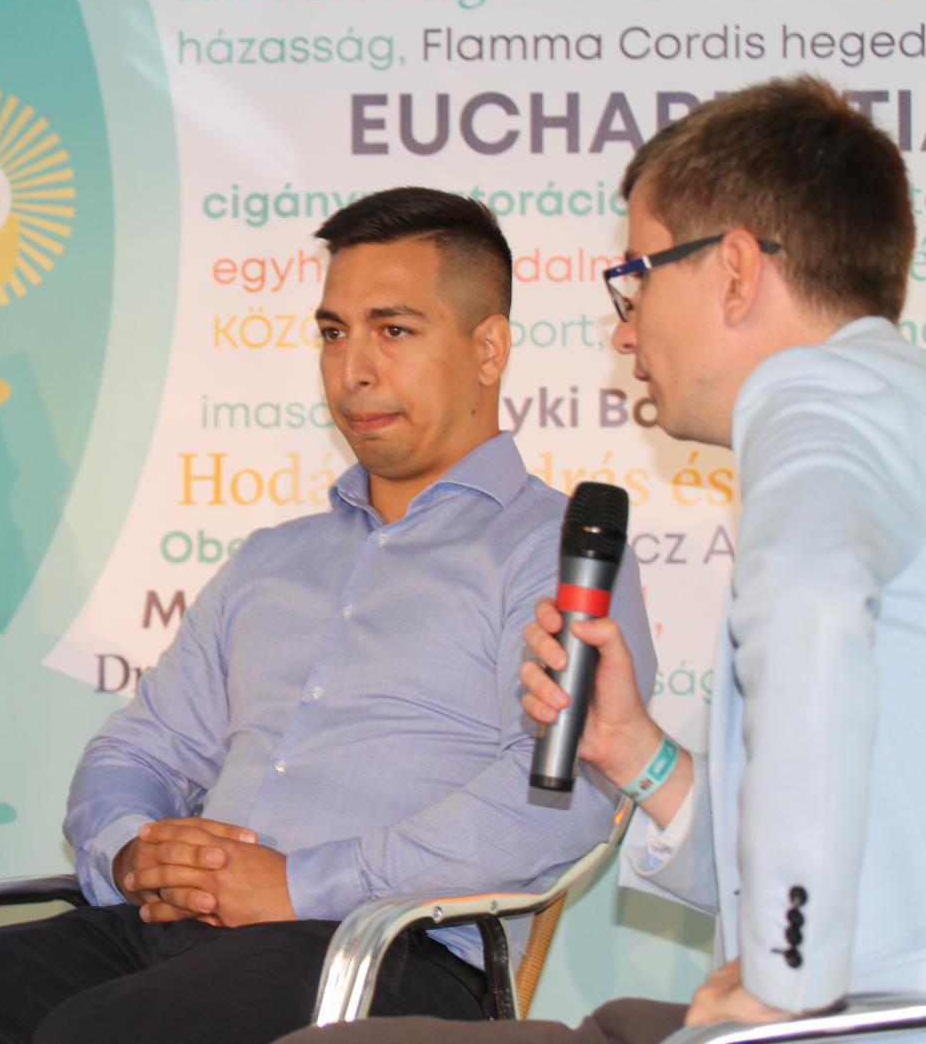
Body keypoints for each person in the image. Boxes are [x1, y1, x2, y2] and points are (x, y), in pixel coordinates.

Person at [0, 187, 655, 1044]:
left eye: (394, 331)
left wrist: (300, 884)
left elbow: (557, 796)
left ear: (489, 348)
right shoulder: (271, 561)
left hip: (379, 951)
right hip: (167, 930)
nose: (353, 370)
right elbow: (139, 750)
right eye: (333, 333)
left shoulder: (555, 553)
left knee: (104, 1035)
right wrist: (132, 850)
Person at [277, 75, 926, 1044]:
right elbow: (858, 848)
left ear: (735, 271)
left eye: (638, 279)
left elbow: (813, 616)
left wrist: (786, 979)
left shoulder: (821, 422)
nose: (624, 329)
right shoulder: (884, 409)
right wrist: (633, 750)